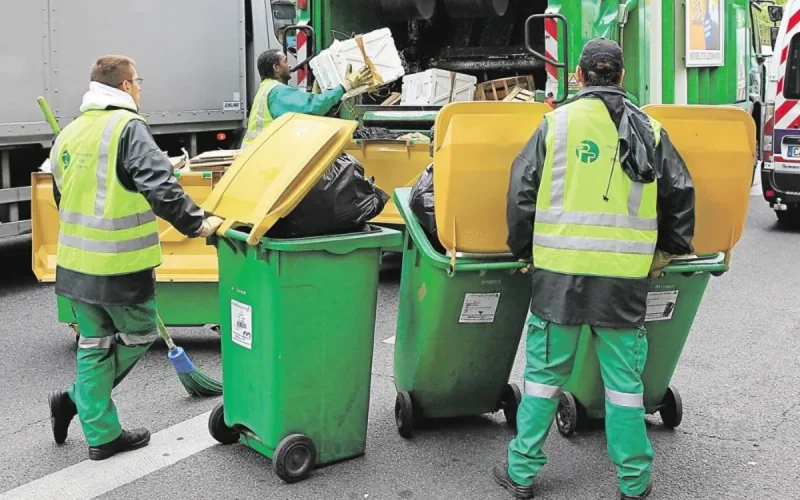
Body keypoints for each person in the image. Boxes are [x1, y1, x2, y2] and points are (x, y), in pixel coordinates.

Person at [494, 38, 695, 499]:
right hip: (624, 280)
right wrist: (668, 250)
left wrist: (524, 252)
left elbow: (520, 194)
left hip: (559, 276)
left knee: (544, 380)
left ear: (579, 77)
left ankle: (522, 475)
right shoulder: (651, 129)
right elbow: (681, 193)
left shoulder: (555, 125)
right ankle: (634, 482)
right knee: (624, 388)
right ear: (621, 76)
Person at [47, 55, 223, 461]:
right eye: (138, 81)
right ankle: (78, 400)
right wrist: (198, 224)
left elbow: (62, 195)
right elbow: (160, 187)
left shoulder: (70, 134)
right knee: (140, 333)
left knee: (94, 345)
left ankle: (100, 431)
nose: (140, 89)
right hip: (119, 267)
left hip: (75, 265)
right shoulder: (128, 127)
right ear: (126, 86)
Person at [241, 49, 372, 147]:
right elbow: (313, 107)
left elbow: (303, 110)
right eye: (285, 61)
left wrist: (314, 95)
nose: (290, 65)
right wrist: (346, 85)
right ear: (276, 68)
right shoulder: (277, 92)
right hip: (263, 154)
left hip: (258, 152)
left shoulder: (266, 88)